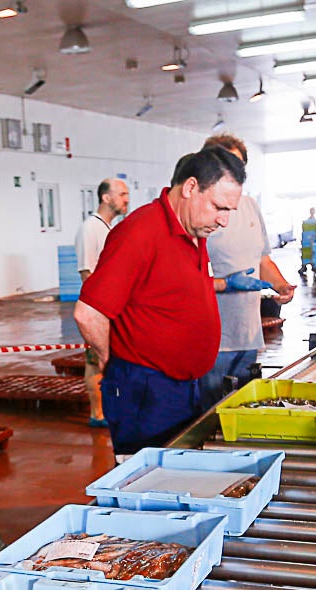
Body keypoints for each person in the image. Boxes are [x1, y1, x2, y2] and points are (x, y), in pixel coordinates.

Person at [75, 146, 245, 455]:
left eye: (229, 211)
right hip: (146, 392)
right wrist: (113, 363)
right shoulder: (140, 233)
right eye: (219, 207)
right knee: (146, 484)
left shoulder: (194, 230)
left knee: (178, 478)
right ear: (191, 187)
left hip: (184, 386)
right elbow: (88, 313)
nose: (224, 221)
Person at [200, 133, 295, 401]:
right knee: (208, 416)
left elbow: (263, 259)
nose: (234, 172)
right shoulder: (198, 213)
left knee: (243, 409)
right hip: (211, 341)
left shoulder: (250, 207)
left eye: (239, 166)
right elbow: (181, 280)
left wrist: (280, 285)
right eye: (227, 164)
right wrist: (225, 284)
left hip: (248, 335)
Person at [75, 178, 130, 426]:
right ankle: (97, 414)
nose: (126, 199)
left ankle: (108, 408)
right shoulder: (90, 228)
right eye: (121, 194)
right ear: (106, 198)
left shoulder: (109, 228)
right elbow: (87, 273)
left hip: (112, 306)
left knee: (106, 359)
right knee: (94, 359)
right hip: (98, 307)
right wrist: (98, 313)